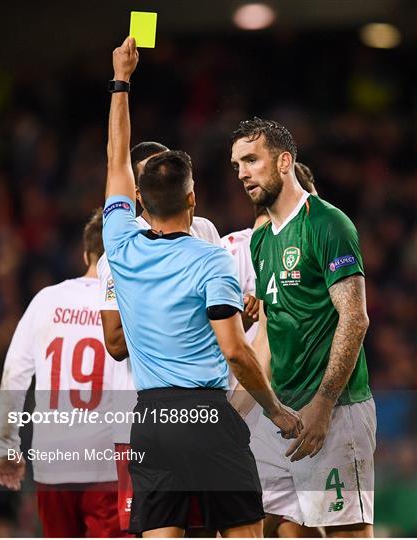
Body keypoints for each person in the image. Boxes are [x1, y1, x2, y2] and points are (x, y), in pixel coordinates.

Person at [102, 37, 301, 538]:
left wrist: (121, 81)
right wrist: (275, 409)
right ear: (193, 197)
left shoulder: (120, 244)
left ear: (139, 201)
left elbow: (115, 160)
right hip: (208, 419)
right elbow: (235, 352)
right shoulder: (211, 259)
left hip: (151, 420)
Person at [230, 117, 375, 537]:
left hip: (338, 410)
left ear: (284, 162)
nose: (242, 173)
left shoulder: (327, 224)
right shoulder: (261, 241)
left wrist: (324, 404)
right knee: (259, 523)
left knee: (347, 530)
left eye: (252, 160)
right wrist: (235, 411)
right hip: (285, 417)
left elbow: (355, 316)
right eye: (237, 164)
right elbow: (270, 336)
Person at [97, 141, 222, 535]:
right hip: (151, 405)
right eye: (151, 174)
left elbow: (218, 308)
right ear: (137, 191)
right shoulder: (118, 252)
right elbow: (115, 343)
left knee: (206, 528)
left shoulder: (204, 231)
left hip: (205, 406)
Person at [0, 210, 131, 538]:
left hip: (53, 462)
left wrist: (6, 446)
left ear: (86, 255)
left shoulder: (46, 300)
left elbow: (14, 375)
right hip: (107, 464)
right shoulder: (128, 307)